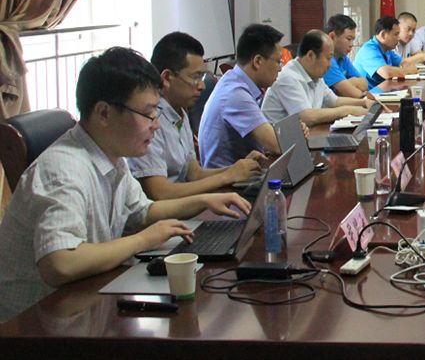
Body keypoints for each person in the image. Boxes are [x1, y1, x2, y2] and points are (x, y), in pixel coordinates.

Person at [0, 47, 251, 322]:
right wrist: (143, 240)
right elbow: (61, 263)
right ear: (104, 113)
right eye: (148, 113)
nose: (156, 125)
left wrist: (204, 201)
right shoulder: (62, 170)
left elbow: (143, 211)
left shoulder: (111, 156)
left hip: (82, 303)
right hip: (32, 325)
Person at [127, 32, 263, 200]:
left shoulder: (179, 111)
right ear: (167, 78)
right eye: (195, 77)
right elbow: (159, 192)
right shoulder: (149, 121)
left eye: (202, 76)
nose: (202, 86)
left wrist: (238, 169)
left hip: (186, 205)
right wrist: (227, 176)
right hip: (169, 210)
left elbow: (194, 173)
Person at [199, 24, 283, 168]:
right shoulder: (235, 94)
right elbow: (277, 145)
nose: (280, 68)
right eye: (278, 61)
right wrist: (294, 134)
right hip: (228, 179)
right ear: (257, 61)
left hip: (245, 169)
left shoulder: (236, 81)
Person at [261, 30, 375, 125]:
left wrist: (363, 102)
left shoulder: (315, 74)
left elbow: (334, 101)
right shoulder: (288, 77)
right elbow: (307, 117)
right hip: (279, 143)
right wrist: (347, 110)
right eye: (328, 58)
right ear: (311, 56)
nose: (330, 64)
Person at [357, 16, 412, 89]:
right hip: (368, 93)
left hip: (383, 91)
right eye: (396, 34)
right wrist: (404, 71)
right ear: (383, 35)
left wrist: (401, 70)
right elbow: (387, 73)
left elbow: (406, 64)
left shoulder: (387, 49)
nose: (398, 38)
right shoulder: (368, 50)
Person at [322, 14, 369, 99]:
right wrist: (350, 86)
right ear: (332, 37)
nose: (352, 44)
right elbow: (355, 94)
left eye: (353, 40)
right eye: (348, 39)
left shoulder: (343, 58)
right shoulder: (325, 59)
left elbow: (365, 84)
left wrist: (349, 83)